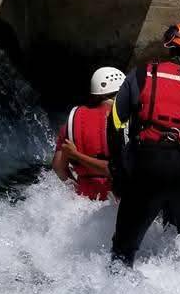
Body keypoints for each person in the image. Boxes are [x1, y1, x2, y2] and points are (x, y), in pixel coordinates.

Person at [108, 22, 180, 267]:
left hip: (147, 165)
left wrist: (119, 171)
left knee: (123, 247)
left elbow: (115, 124)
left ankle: (115, 286)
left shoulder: (141, 75)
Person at [52, 67, 126, 200]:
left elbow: (58, 167)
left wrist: (75, 188)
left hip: (83, 198)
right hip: (116, 198)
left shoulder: (73, 119)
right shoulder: (126, 119)